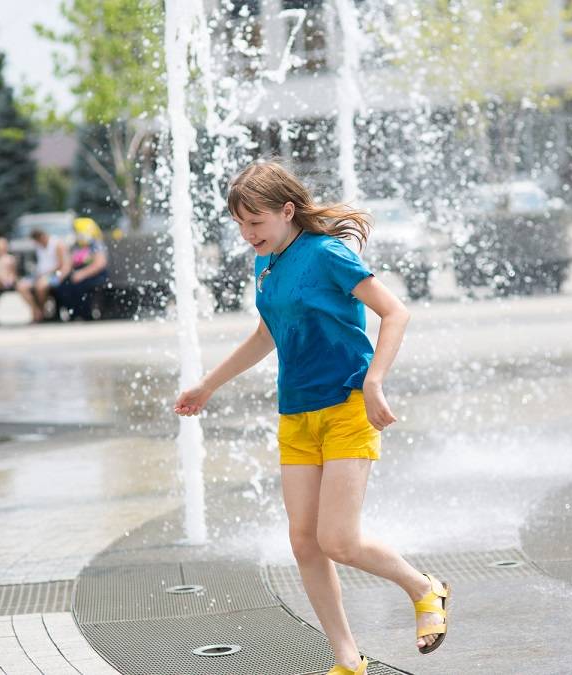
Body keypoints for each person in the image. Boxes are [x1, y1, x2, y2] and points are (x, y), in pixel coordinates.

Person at [173, 161, 449, 675]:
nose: (246, 234)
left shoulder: (327, 255)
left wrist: (374, 381)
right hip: (296, 415)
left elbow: (395, 312)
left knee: (338, 540)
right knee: (304, 541)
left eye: (255, 223)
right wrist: (208, 385)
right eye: (239, 224)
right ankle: (347, 657)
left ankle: (423, 587)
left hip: (346, 407)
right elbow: (266, 335)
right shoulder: (266, 263)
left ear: (287, 210)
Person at [54, 218, 108, 320]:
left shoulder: (95, 244)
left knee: (80, 287)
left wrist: (82, 274)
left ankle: (85, 314)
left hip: (93, 274)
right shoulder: (75, 245)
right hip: (78, 273)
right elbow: (69, 263)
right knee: (63, 287)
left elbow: (99, 264)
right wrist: (60, 275)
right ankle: (73, 313)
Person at [16, 228, 69, 322]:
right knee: (21, 286)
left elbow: (61, 264)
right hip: (40, 275)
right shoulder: (38, 246)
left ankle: (42, 310)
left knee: (40, 286)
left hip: (54, 275)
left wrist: (46, 273)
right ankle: (36, 310)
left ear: (42, 237)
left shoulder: (57, 244)